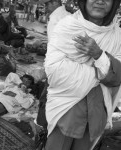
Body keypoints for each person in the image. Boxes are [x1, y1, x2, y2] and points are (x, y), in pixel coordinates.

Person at [44, 0, 121, 150]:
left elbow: (118, 77)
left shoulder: (116, 35)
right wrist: (101, 71)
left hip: (96, 114)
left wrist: (98, 55)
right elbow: (55, 71)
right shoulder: (66, 26)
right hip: (66, 110)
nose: (100, 1)